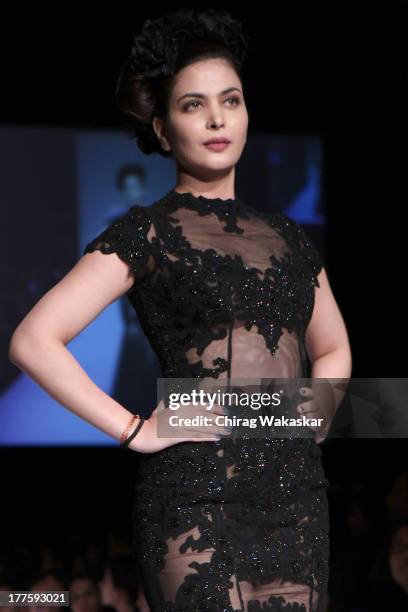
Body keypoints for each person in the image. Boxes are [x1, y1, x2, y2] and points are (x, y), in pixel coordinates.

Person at [8, 9, 352, 611]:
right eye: (193, 104)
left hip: (296, 499)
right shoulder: (150, 232)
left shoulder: (291, 239)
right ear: (163, 130)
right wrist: (135, 430)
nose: (218, 118)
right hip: (196, 497)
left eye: (232, 100)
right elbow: (34, 340)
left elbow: (333, 347)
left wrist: (312, 419)